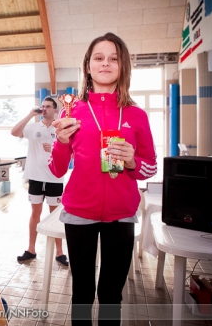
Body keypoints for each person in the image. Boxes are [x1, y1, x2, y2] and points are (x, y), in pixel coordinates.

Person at [49, 33, 157, 325]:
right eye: (98, 58)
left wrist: (132, 161)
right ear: (88, 66)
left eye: (113, 58)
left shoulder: (136, 115)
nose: (105, 63)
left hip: (122, 215)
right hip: (79, 213)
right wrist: (61, 141)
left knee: (111, 294)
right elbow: (56, 170)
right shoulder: (73, 111)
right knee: (82, 292)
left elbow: (150, 168)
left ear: (123, 66)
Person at [11, 97, 67, 266]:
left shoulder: (60, 128)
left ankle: (59, 252)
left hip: (54, 178)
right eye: (42, 106)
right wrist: (30, 115)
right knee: (35, 213)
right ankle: (31, 249)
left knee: (55, 216)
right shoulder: (33, 127)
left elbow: (70, 151)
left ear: (55, 110)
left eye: (48, 106)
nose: (44, 109)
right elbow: (14, 132)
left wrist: (55, 148)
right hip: (35, 177)